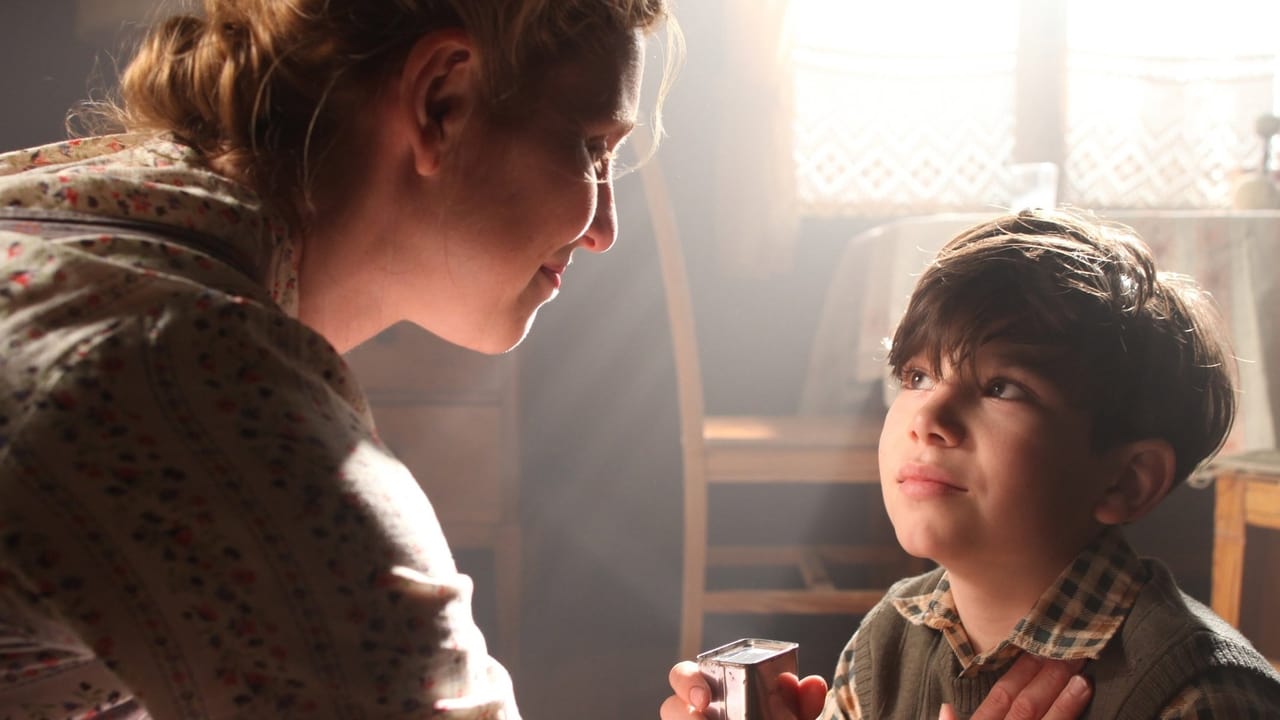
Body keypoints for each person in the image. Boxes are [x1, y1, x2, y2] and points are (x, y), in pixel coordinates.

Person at [0, 1, 677, 718]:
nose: (605, 229)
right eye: (590, 147)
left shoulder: (74, 214)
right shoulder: (206, 392)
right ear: (442, 101)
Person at [663, 208, 1280, 719]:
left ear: (1126, 479)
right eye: (917, 376)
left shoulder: (1198, 693)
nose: (929, 417)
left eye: (1002, 388)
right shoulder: (889, 639)